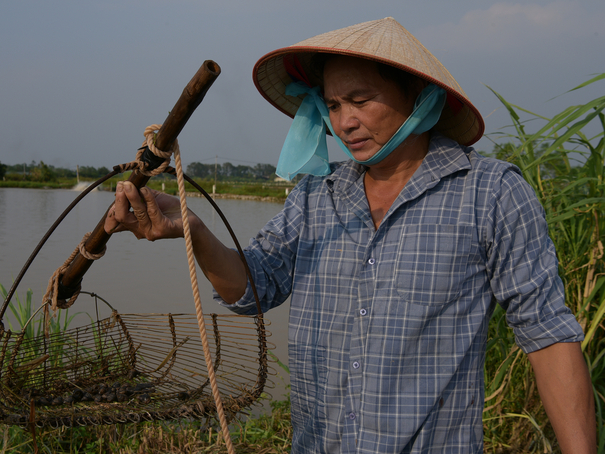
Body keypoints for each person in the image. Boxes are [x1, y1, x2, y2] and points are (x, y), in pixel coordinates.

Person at [104, 18, 596, 453]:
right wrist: (193, 230)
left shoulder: (489, 193)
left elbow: (548, 335)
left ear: (418, 96)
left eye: (361, 100)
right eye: (334, 104)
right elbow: (252, 287)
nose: (345, 122)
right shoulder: (317, 197)